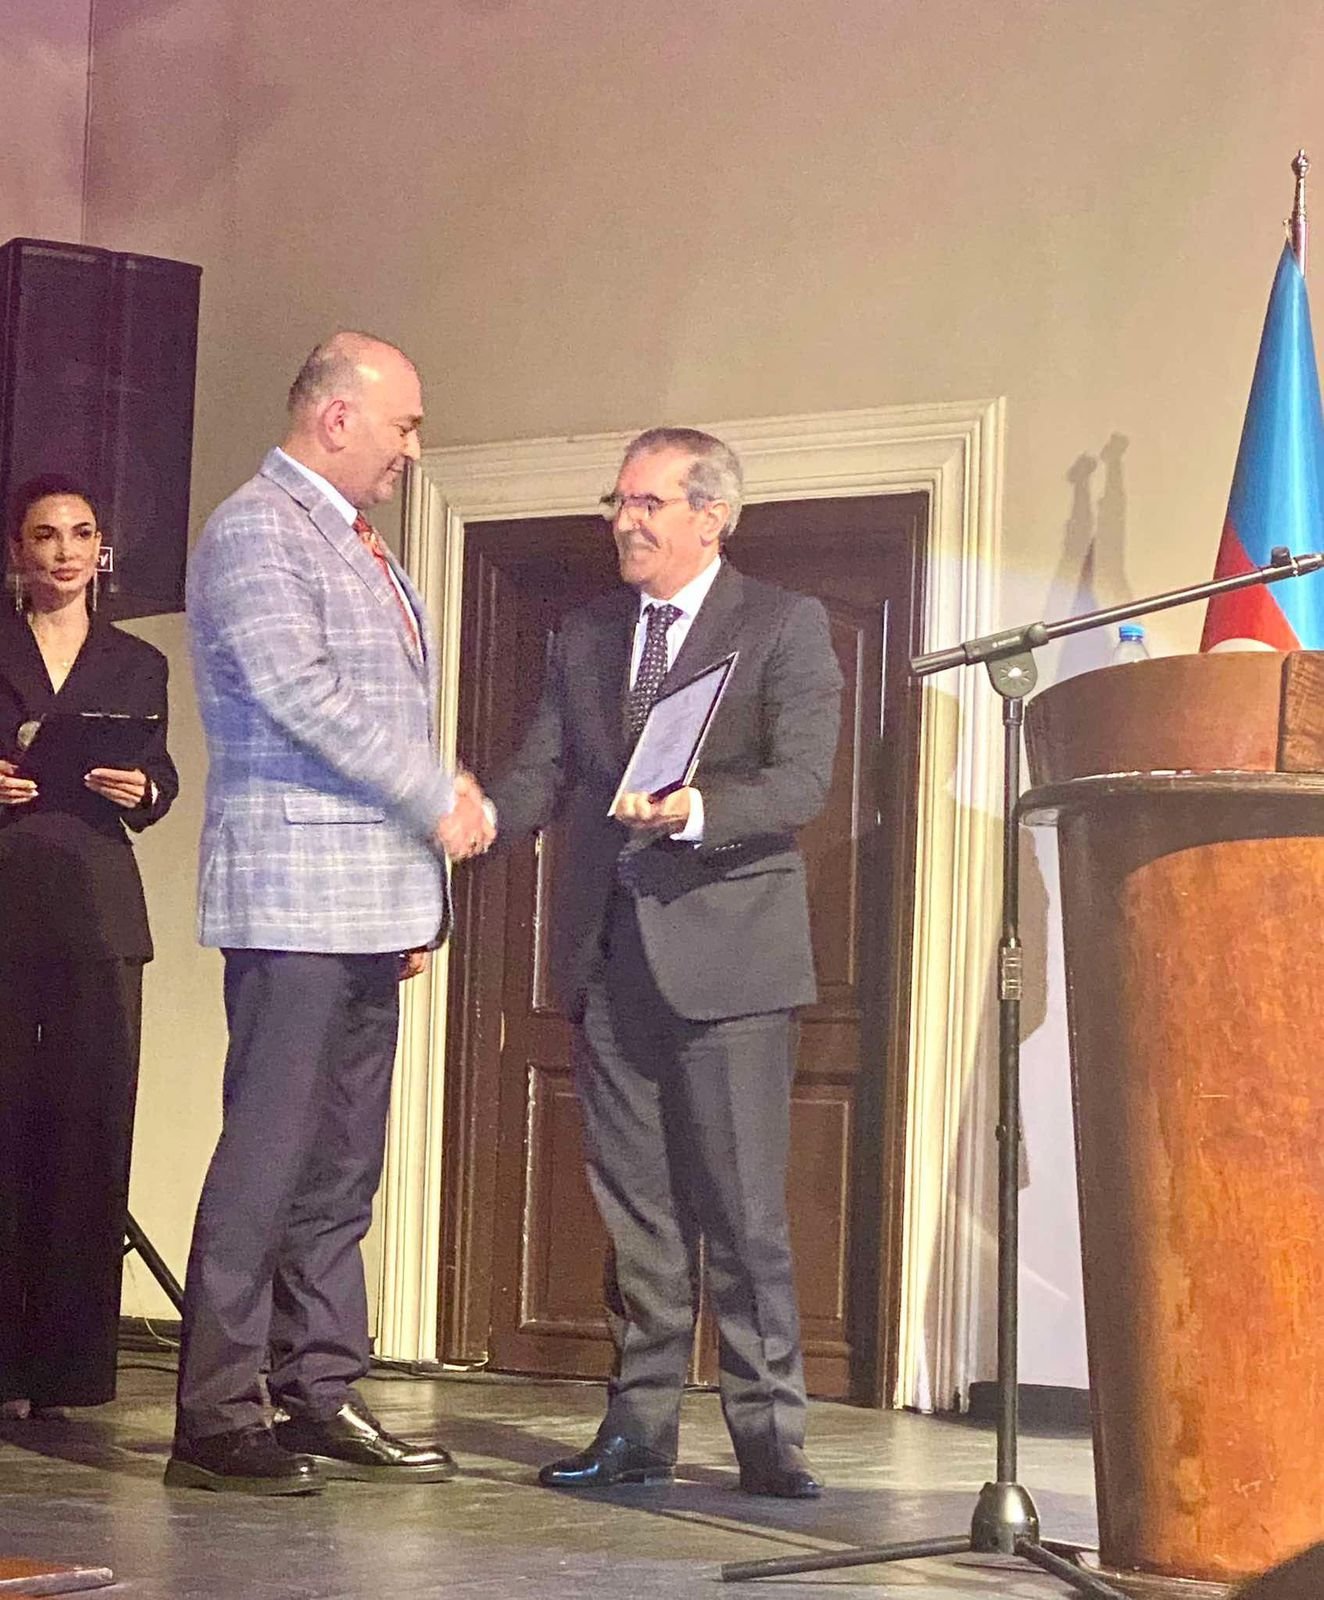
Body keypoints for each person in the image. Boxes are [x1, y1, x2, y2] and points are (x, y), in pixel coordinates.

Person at [487, 427, 842, 1497]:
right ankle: (637, 1431)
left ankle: (768, 1435)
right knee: (638, 1217)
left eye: (647, 503)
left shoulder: (781, 623)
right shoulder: (587, 633)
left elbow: (801, 782)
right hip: (611, 964)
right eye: (619, 502)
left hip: (731, 965)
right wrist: (470, 820)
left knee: (741, 1214)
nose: (624, 521)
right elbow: (542, 769)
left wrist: (692, 811)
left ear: (710, 517)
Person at [167, 332, 492, 1496]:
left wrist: (410, 895)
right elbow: (298, 693)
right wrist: (435, 793)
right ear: (338, 416)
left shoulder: (359, 542)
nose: (414, 448)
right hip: (294, 898)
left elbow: (384, 710)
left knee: (343, 1163)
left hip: (364, 904)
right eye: (404, 424)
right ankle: (215, 1415)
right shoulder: (257, 527)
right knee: (267, 1156)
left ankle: (315, 1389)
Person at [0, 474, 178, 1419]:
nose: (64, 552)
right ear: (17, 552)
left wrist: (142, 791)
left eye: (80, 534)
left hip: (98, 909)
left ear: (99, 548)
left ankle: (67, 1372)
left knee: (89, 1132)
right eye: (45, 535)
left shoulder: (135, 661)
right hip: (6, 890)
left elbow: (160, 774)